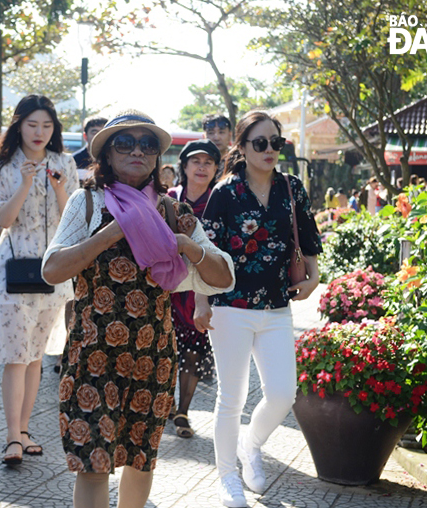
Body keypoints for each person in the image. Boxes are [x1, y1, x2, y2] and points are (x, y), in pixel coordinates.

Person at [42, 109, 235, 508]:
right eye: (124, 143)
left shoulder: (174, 212)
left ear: (158, 156)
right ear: (107, 154)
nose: (137, 151)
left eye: (147, 144)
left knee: (140, 459)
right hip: (92, 355)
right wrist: (113, 231)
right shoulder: (88, 202)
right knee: (92, 461)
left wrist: (189, 246)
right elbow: (52, 268)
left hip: (152, 354)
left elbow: (223, 277)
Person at [198, 110, 322, 507]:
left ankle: (251, 445)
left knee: (284, 393)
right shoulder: (225, 193)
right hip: (229, 306)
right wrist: (201, 302)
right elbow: (205, 252)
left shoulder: (291, 187)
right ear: (241, 146)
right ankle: (227, 477)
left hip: (276, 306)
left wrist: (314, 276)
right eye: (260, 143)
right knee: (230, 398)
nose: (270, 150)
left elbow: (308, 235)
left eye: (276, 142)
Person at [0, 94, 79, 464]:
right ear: (18, 125)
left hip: (53, 268)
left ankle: (24, 431)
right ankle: (11, 437)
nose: (39, 132)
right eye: (32, 124)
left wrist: (58, 188)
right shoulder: (3, 165)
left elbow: (74, 217)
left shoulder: (65, 163)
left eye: (47, 125)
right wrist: (25, 183)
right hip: (12, 267)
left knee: (36, 355)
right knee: (15, 356)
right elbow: (3, 221)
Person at [166, 139, 221, 439]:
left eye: (208, 162)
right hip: (169, 286)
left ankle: (182, 411)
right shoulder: (168, 198)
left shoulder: (220, 201)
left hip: (203, 287)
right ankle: (167, 404)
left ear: (215, 169)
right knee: (166, 349)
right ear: (184, 166)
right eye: (195, 161)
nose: (202, 167)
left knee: (193, 353)